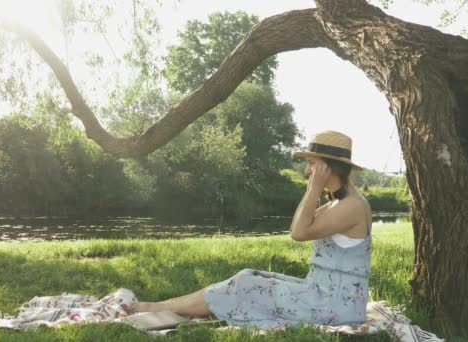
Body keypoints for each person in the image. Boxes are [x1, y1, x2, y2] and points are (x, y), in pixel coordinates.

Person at [125, 130, 372, 329]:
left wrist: (313, 189)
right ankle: (165, 305)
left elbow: (298, 233)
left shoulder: (352, 206)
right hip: (320, 293)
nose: (307, 171)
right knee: (249, 275)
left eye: (311, 164)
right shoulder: (338, 203)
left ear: (328, 167)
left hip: (333, 306)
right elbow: (301, 222)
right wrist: (317, 190)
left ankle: (159, 308)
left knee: (245, 285)